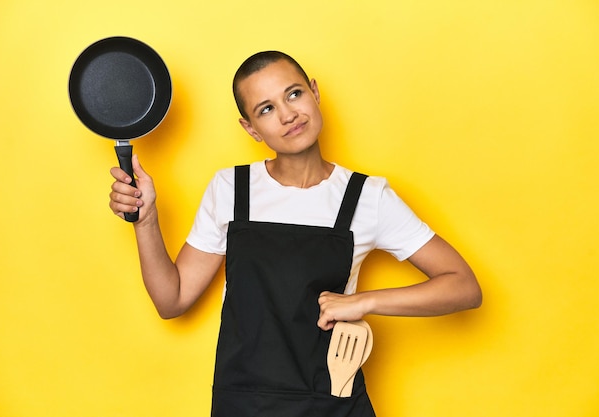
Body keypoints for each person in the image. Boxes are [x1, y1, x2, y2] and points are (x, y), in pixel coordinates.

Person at [108, 51, 482, 417]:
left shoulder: (368, 197)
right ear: (250, 128)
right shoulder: (231, 189)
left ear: (315, 93)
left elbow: (463, 286)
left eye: (294, 94)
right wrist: (147, 220)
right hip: (244, 404)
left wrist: (363, 302)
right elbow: (171, 301)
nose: (288, 114)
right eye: (266, 109)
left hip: (332, 401)